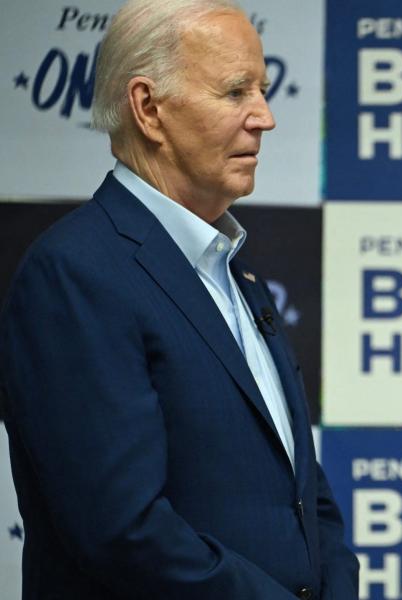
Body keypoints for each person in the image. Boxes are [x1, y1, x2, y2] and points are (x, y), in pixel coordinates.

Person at [0, 0, 358, 598]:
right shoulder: (76, 274)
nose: (265, 117)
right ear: (148, 108)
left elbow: (304, 494)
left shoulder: (236, 273)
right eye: (235, 91)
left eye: (263, 89)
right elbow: (123, 532)